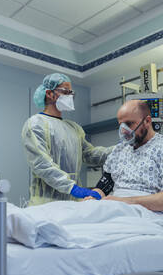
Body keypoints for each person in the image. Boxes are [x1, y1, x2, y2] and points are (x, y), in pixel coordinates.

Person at [22, 73, 113, 206]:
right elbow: (42, 165)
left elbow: (91, 155)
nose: (70, 96)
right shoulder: (36, 124)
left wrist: (119, 149)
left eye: (71, 92)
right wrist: (73, 188)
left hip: (72, 203)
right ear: (49, 94)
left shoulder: (73, 128)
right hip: (45, 204)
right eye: (66, 91)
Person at [87, 99, 163, 213]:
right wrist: (94, 196)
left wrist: (124, 201)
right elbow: (105, 184)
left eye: (129, 124)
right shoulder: (120, 149)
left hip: (147, 211)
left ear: (147, 121)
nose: (124, 130)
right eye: (121, 125)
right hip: (115, 206)